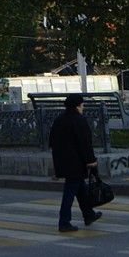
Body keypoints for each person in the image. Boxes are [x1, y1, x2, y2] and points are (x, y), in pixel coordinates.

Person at [48, 93, 102, 232]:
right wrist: (91, 161)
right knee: (70, 192)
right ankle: (64, 222)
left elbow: (51, 141)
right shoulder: (78, 120)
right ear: (78, 105)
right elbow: (85, 143)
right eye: (82, 104)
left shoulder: (59, 119)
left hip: (62, 161)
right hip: (75, 163)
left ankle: (88, 214)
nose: (83, 107)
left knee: (80, 189)